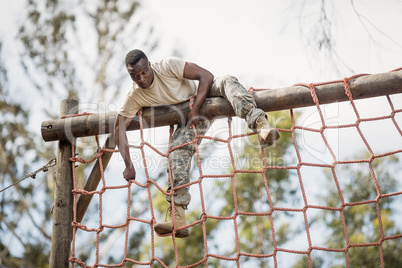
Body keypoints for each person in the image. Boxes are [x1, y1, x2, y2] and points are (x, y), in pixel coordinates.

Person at [114, 49, 280, 238]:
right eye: (135, 76)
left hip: (205, 94)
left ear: (150, 66)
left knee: (226, 80)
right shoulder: (134, 95)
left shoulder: (167, 66)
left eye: (144, 72)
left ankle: (261, 126)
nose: (141, 79)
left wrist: (197, 107)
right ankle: (178, 218)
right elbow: (119, 127)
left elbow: (206, 76)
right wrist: (128, 164)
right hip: (190, 118)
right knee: (176, 152)